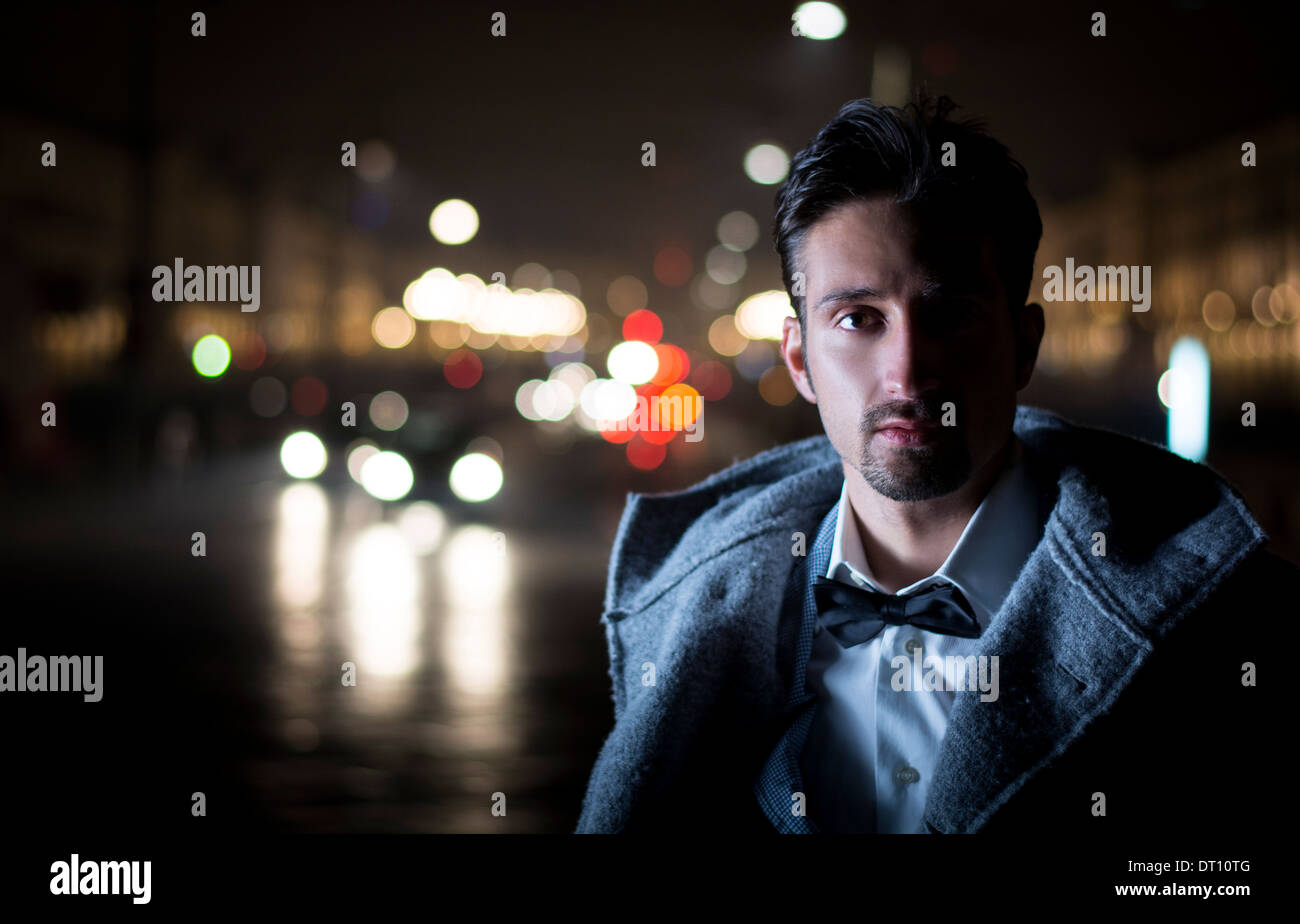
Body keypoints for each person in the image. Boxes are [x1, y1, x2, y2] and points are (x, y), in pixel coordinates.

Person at [575, 93, 1293, 834]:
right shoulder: (695, 625)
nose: (908, 374)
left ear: (1024, 345)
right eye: (859, 319)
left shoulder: (1230, 622)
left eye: (950, 313)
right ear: (799, 359)